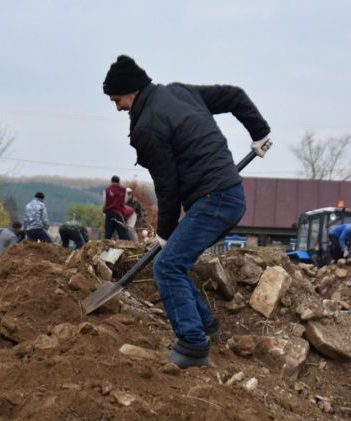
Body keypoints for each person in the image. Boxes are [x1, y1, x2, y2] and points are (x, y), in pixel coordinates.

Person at [103, 54, 271, 368]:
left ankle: (193, 345)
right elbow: (234, 95)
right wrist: (259, 131)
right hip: (228, 195)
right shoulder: (179, 92)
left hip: (214, 199)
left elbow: (168, 187)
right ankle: (207, 327)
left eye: (117, 100)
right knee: (175, 263)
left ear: (132, 91)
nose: (118, 107)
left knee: (166, 265)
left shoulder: (147, 127)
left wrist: (164, 233)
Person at [103, 175, 133, 240]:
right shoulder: (123, 190)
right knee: (122, 234)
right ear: (119, 182)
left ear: (111, 181)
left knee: (108, 235)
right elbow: (125, 201)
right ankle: (123, 248)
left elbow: (104, 202)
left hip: (109, 213)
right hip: (119, 213)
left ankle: (107, 248)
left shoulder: (107, 190)